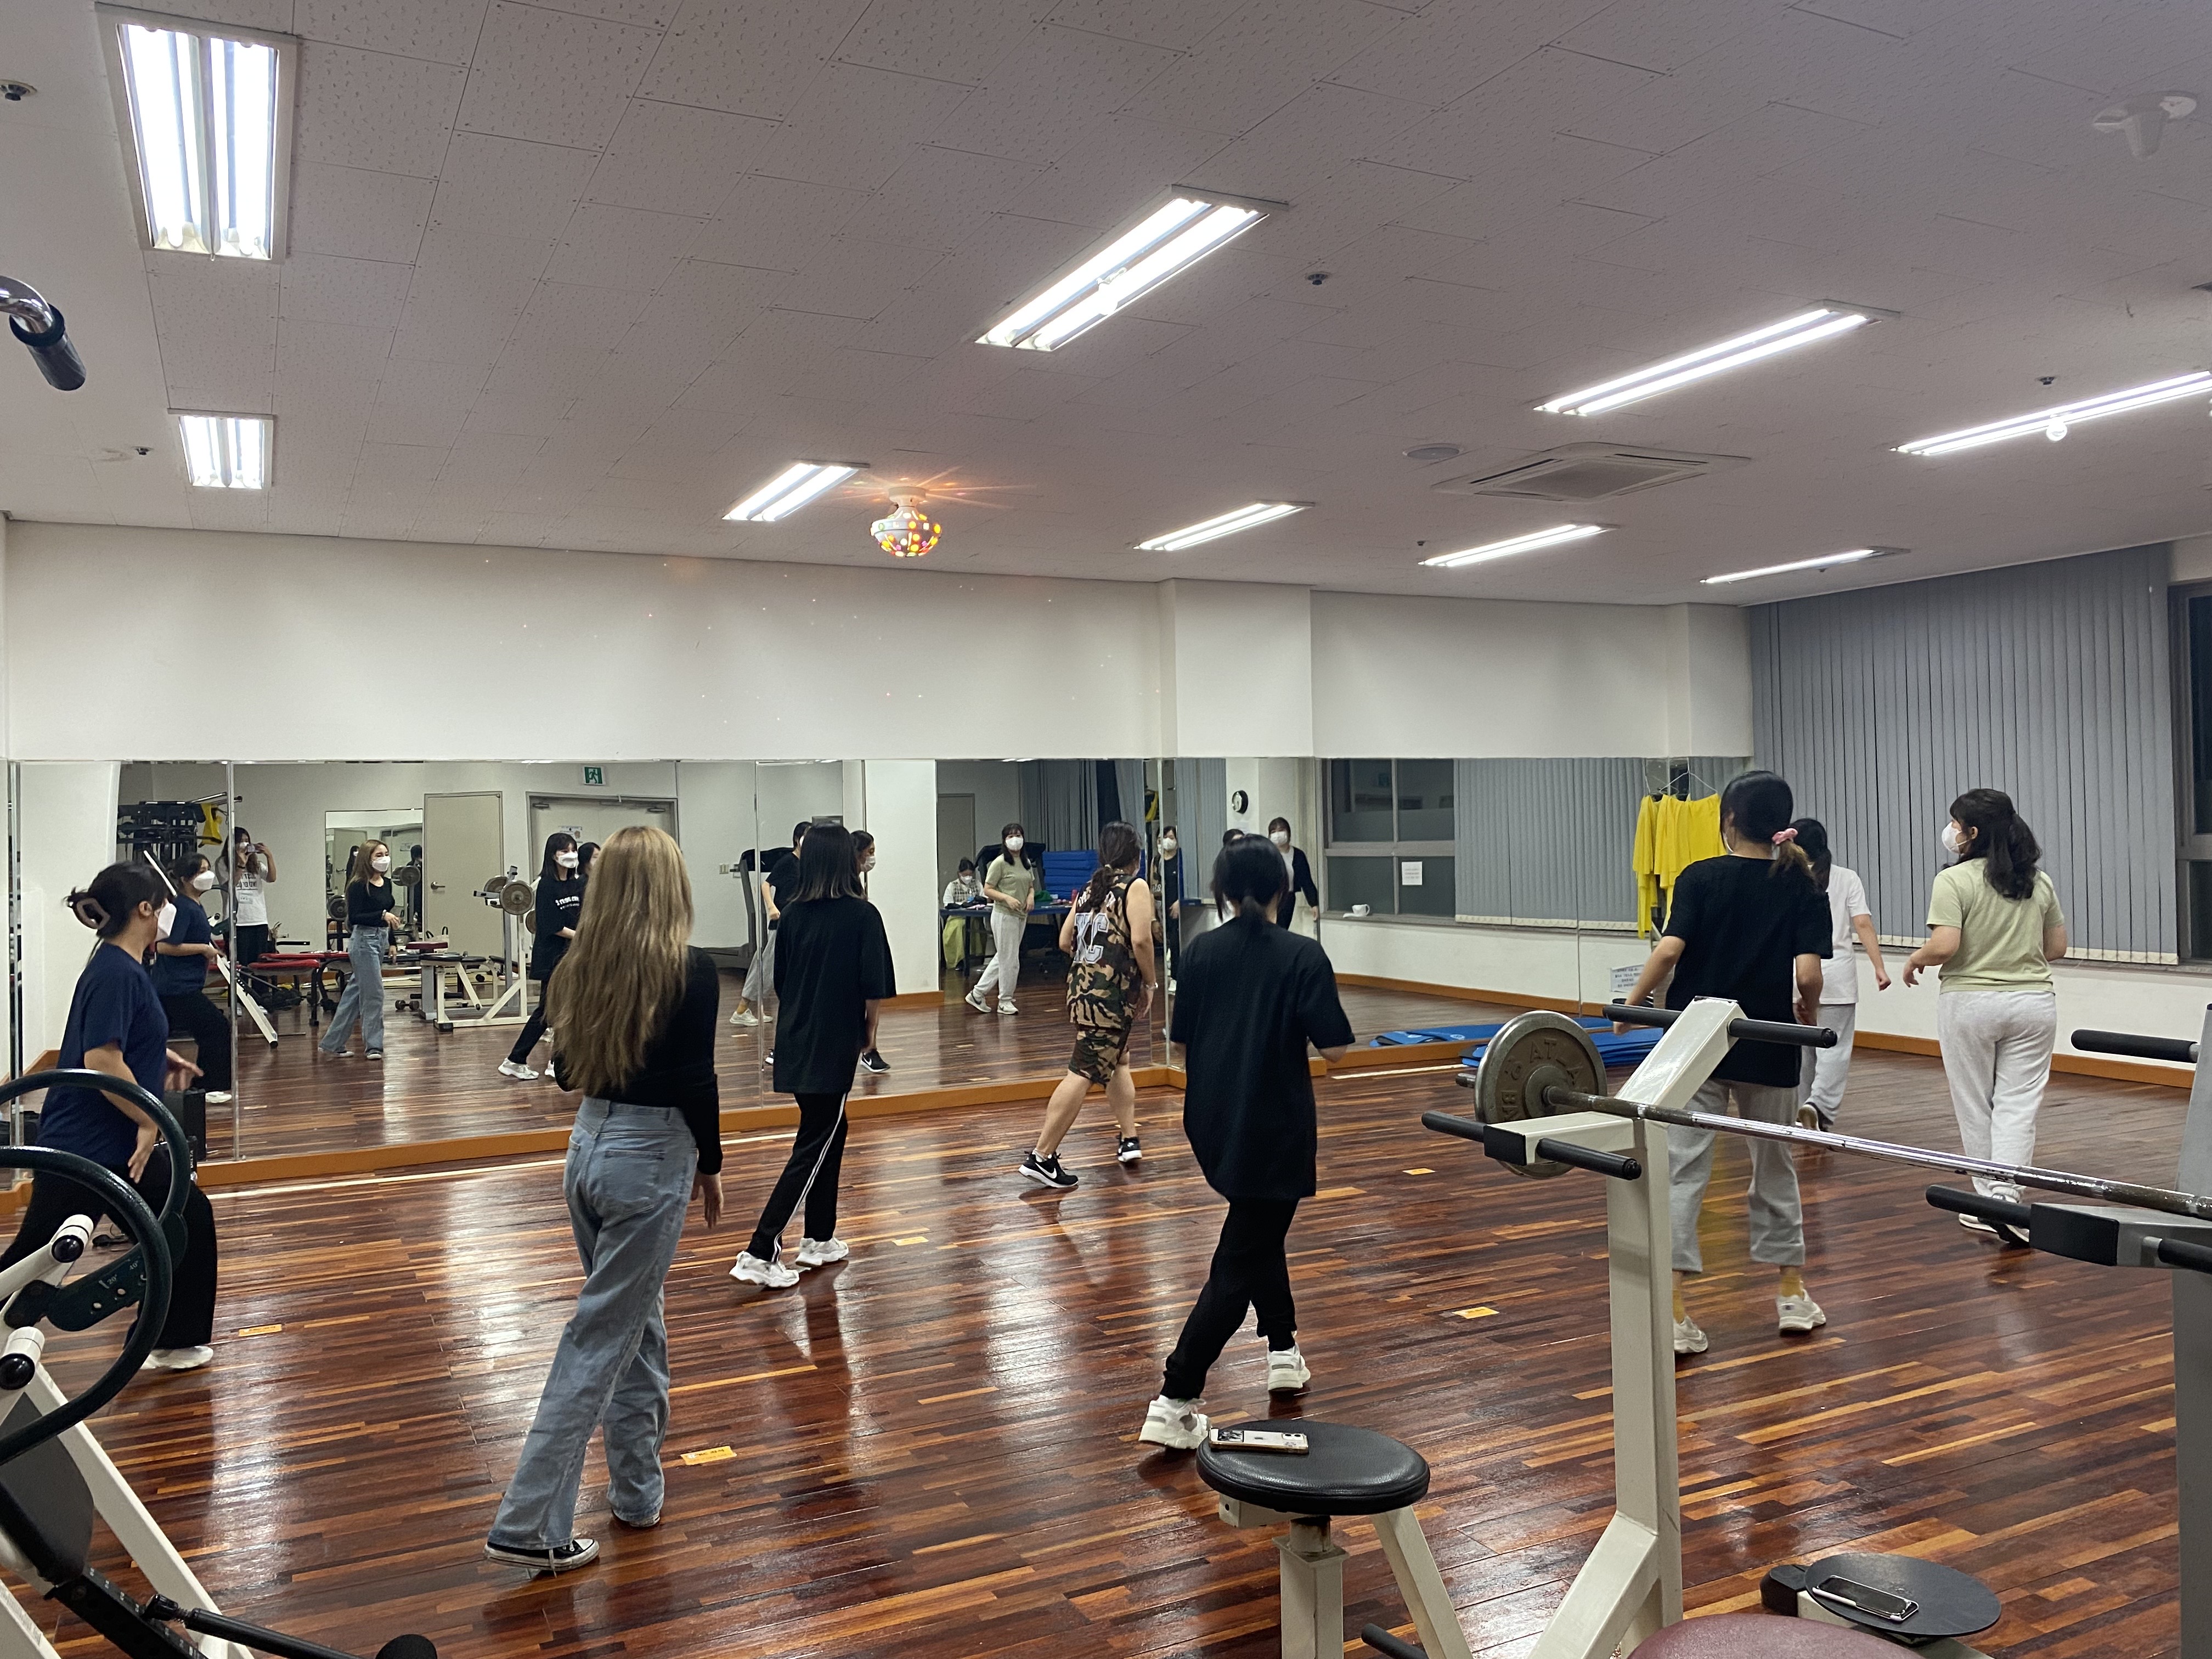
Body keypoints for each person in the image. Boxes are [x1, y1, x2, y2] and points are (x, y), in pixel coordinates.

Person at [483, 826, 724, 1574]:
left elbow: (565, 1075)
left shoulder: (578, 966)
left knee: (634, 1326)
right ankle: (528, 1522)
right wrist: (713, 1164)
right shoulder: (692, 970)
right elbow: (696, 1080)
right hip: (650, 1160)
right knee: (600, 1338)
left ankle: (637, 1494)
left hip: (588, 1148)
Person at [1138, 838, 1353, 1451]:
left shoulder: (1200, 952)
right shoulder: (1302, 955)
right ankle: (1176, 1398)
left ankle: (1283, 1349)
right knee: (1240, 1259)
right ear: (1283, 889)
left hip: (1213, 1122)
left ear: (1223, 892)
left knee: (1258, 1231)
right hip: (1275, 1127)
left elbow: (1183, 1042)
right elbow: (1336, 1048)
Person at [1617, 770, 1830, 1356]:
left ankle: (1675, 1313)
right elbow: (1809, 973)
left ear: (1728, 819)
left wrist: (1632, 1005)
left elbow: (1669, 950)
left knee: (1683, 1171)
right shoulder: (1802, 883)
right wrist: (1808, 1013)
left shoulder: (1700, 876)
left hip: (1700, 1041)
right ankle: (1791, 1294)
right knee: (1776, 1164)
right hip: (1769, 1039)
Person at [0, 864, 219, 1371]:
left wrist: (158, 1055)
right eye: (162, 906)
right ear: (145, 909)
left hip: (101, 1140)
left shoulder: (118, 965)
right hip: (90, 1144)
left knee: (185, 1218)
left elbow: (113, 1040)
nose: (167, 915)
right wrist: (148, 1120)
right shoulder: (117, 971)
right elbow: (100, 1059)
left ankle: (173, 1340)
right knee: (35, 1259)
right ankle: (171, 1341)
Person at [730, 825, 894, 1290]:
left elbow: (782, 982)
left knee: (830, 1132)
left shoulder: (793, 915)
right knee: (815, 1142)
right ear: (845, 861)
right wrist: (869, 1034)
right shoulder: (863, 915)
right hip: (832, 1043)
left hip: (796, 1038)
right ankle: (760, 1250)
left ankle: (819, 1238)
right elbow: (874, 986)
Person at [1903, 788, 2067, 1240]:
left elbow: (1945, 946)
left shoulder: (1953, 881)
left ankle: (1985, 1202)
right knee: (2018, 1106)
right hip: (2034, 1004)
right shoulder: (2038, 881)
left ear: (1972, 832)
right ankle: (2007, 1198)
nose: (1951, 831)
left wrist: (1916, 959)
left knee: (1975, 1104)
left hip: (1970, 1003)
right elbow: (2056, 947)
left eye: (1956, 824)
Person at [1019, 821, 1158, 1189]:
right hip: (1110, 998)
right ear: (1135, 856)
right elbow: (1142, 940)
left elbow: (1065, 940)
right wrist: (1150, 983)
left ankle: (1129, 1137)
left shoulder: (1090, 890)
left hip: (1082, 992)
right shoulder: (1135, 887)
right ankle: (1042, 1156)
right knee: (1082, 1072)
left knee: (1119, 1060)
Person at [1790, 819, 1889, 1131]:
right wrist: (1879, 967)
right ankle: (1817, 1105)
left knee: (1802, 1049)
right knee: (1834, 1048)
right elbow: (1863, 924)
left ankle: (1799, 1110)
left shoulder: (1785, 878)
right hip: (1836, 976)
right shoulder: (1847, 878)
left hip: (1796, 973)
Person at [499, 833, 585, 1082]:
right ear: (553, 855)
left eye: (573, 850)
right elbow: (550, 925)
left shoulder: (575, 884)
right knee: (548, 1011)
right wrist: (582, 937)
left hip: (571, 955)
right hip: (552, 956)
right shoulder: (546, 885)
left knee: (561, 1010)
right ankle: (518, 1060)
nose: (570, 855)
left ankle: (548, 1062)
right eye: (564, 851)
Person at [149, 853, 233, 1103]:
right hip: (176, 987)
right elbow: (164, 947)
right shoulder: (183, 908)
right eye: (200, 871)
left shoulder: (195, 905)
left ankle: (205, 1085)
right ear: (186, 879)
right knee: (216, 1028)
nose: (207, 875)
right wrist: (203, 949)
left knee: (212, 1028)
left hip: (185, 985)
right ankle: (209, 1086)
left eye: (208, 869)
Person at [319, 840, 399, 1060]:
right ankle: (374, 1046)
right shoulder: (358, 885)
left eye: (386, 854)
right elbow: (354, 917)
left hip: (380, 938)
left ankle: (332, 1042)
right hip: (364, 941)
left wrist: (392, 942)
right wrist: (381, 915)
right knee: (374, 994)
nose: (384, 858)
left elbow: (388, 915)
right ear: (367, 858)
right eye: (379, 855)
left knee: (354, 994)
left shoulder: (387, 884)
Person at [732, 821, 807, 1030]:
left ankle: (770, 1010)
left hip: (797, 923)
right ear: (797, 840)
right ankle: (741, 1010)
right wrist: (771, 907)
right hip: (781, 922)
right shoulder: (787, 862)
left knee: (785, 968)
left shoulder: (807, 865)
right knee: (767, 965)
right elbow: (766, 886)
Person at [966, 822, 1036, 1016]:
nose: (1015, 839)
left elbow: (1030, 885)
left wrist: (1031, 897)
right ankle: (1005, 1000)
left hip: (1021, 915)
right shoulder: (999, 863)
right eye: (1011, 836)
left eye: (1018, 835)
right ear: (1004, 841)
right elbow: (988, 890)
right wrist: (1007, 898)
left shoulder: (1025, 862)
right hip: (1005, 915)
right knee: (1010, 961)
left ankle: (977, 994)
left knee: (1004, 956)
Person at [851, 832, 889, 1074]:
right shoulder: (846, 883)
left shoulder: (857, 882)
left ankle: (871, 1047)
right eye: (870, 852)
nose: (873, 858)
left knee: (875, 991)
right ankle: (868, 1046)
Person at [227, 827, 275, 966]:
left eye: (247, 840)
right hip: (238, 921)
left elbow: (272, 878)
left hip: (258, 919)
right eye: (240, 841)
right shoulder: (224, 863)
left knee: (259, 964)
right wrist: (241, 865)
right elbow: (230, 886)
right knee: (240, 964)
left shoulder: (256, 864)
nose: (244, 844)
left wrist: (269, 856)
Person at [1265, 817, 1319, 931]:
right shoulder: (1267, 855)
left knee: (1282, 930)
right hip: (1269, 899)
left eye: (1281, 830)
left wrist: (1314, 903)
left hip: (1287, 899)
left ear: (1288, 833)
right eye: (1274, 832)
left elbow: (1306, 881)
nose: (1277, 834)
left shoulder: (1298, 855)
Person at [1156, 827, 1184, 991]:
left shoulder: (1180, 859)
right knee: (1167, 940)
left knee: (1176, 942)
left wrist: (1180, 901)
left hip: (1177, 907)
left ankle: (1176, 977)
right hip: (1162, 907)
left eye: (1171, 837)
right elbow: (1153, 886)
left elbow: (1186, 882)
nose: (1167, 840)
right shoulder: (1158, 862)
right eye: (1165, 837)